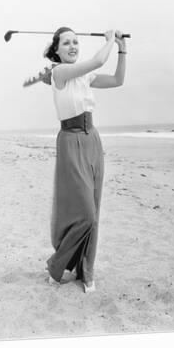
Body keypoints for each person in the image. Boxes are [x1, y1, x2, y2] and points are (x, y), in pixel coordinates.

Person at [44, 26, 127, 293]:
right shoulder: (59, 72)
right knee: (85, 214)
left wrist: (122, 48)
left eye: (76, 42)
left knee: (94, 208)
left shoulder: (85, 75)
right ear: (56, 50)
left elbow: (117, 80)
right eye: (66, 43)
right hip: (70, 140)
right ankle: (57, 265)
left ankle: (86, 271)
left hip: (92, 139)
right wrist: (110, 39)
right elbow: (100, 59)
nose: (73, 47)